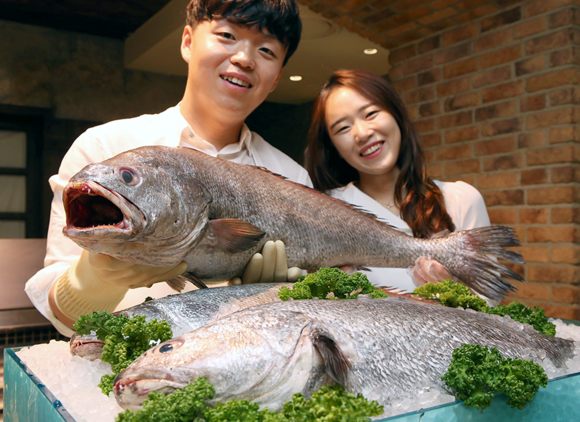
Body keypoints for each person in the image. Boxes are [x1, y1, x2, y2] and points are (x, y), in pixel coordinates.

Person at [25, 0, 309, 336]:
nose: (244, 59)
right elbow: (63, 322)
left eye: (265, 50)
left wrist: (278, 298)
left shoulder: (294, 179)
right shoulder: (104, 149)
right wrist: (94, 279)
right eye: (227, 35)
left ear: (276, 78)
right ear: (188, 41)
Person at [305, 69, 491, 294]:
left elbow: (489, 302)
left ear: (396, 115)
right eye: (343, 128)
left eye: (371, 113)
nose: (362, 133)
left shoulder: (461, 199)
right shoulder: (322, 210)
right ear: (334, 148)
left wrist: (453, 290)